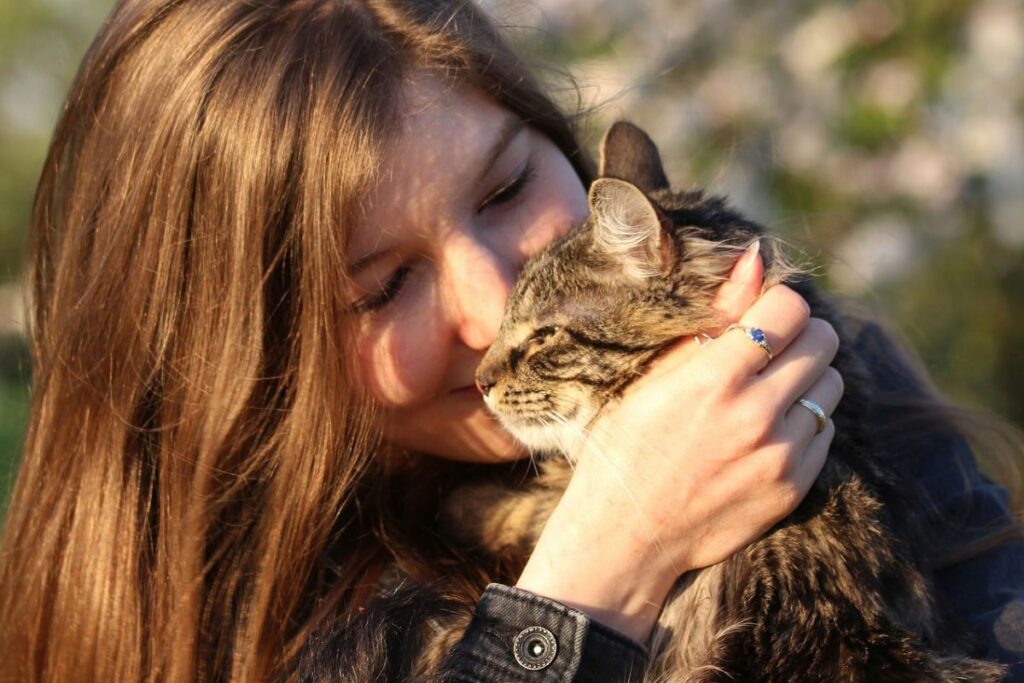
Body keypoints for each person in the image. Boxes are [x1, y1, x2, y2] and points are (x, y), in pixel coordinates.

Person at [0, 1, 1019, 681]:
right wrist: (600, 565)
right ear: (249, 359)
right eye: (383, 285)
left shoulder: (814, 389)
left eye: (504, 188)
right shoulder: (223, 629)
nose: (493, 317)